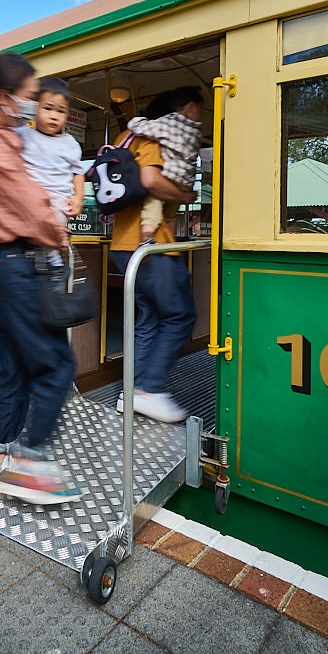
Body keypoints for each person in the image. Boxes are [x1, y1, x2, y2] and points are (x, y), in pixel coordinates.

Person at [0, 51, 82, 505]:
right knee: (57, 366)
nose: (35, 108)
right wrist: (59, 231)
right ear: (5, 97)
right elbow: (33, 207)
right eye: (31, 98)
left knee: (12, 363)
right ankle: (29, 465)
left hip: (9, 264)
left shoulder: (0, 137)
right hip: (17, 262)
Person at [108, 86, 204, 423]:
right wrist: (187, 193)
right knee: (179, 316)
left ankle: (130, 393)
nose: (198, 120)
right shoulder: (154, 139)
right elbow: (150, 181)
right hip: (151, 246)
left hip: (122, 245)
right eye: (198, 112)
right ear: (188, 108)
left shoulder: (125, 135)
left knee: (148, 320)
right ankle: (149, 390)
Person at [0, 76, 85, 262]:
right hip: (30, 198)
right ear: (35, 108)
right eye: (48, 108)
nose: (53, 116)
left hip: (58, 200)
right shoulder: (24, 134)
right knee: (27, 228)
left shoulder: (70, 144)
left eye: (61, 111)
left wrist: (79, 197)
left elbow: (78, 172)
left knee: (52, 229)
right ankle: (44, 253)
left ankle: (55, 260)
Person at [127, 93, 202, 244]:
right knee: (168, 211)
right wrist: (182, 196)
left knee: (154, 201)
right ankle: (164, 238)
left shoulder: (128, 138)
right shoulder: (194, 132)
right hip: (185, 181)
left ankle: (148, 232)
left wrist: (137, 121)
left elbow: (150, 181)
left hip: (124, 237)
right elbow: (151, 180)